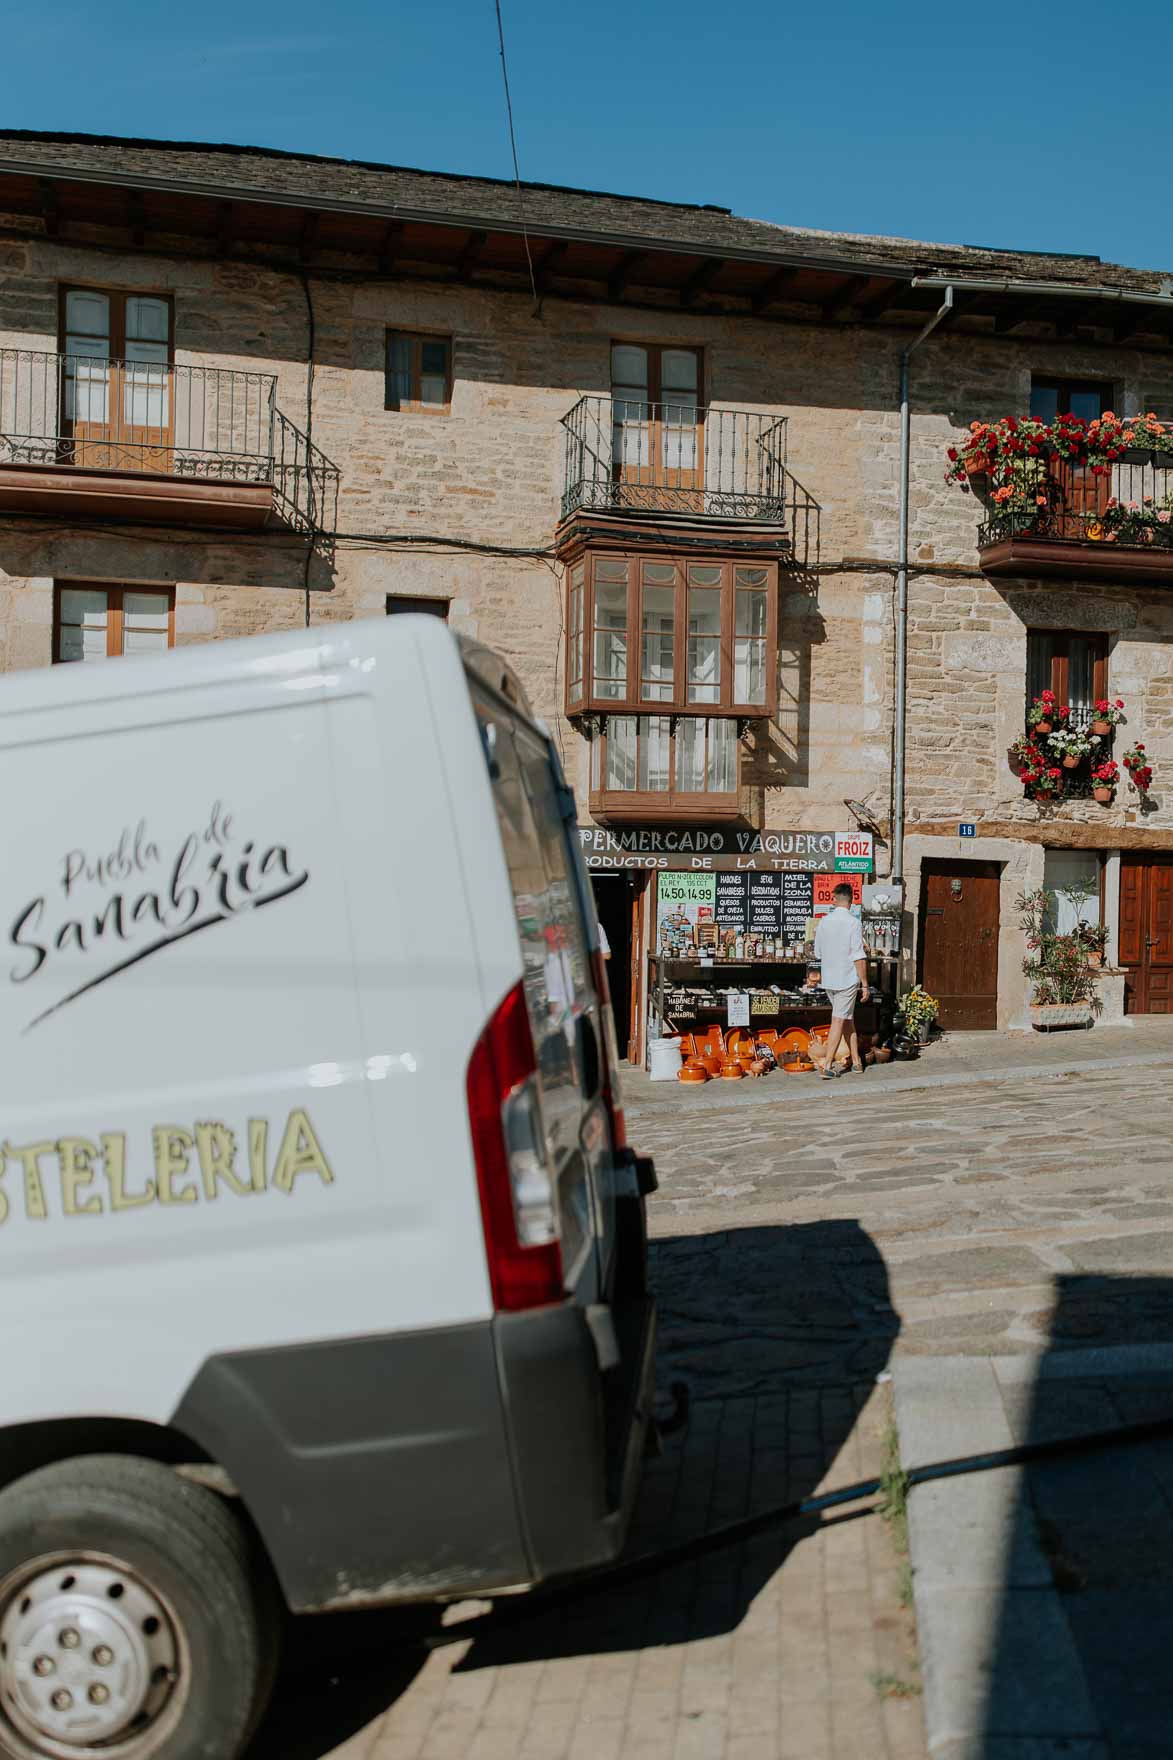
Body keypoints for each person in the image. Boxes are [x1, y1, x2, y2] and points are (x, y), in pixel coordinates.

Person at [813, 884, 869, 1079]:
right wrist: (865, 983)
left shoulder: (823, 922)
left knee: (847, 1019)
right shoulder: (853, 923)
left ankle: (857, 1061)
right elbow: (858, 956)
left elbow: (817, 952)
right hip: (846, 978)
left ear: (834, 899)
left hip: (829, 979)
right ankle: (828, 1064)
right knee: (839, 1019)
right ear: (851, 901)